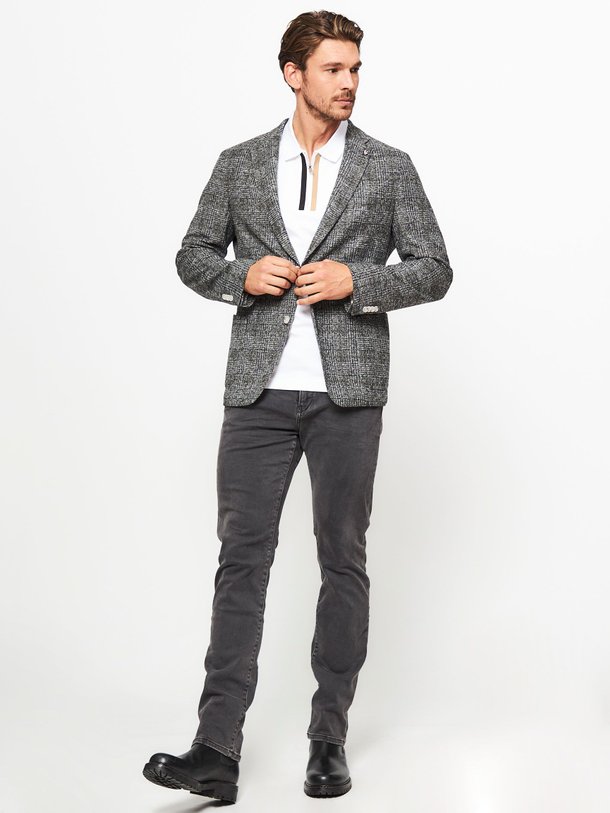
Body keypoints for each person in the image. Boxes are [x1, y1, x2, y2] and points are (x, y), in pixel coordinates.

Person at [143, 9, 453, 804]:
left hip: (349, 393)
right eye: (333, 69)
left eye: (356, 69)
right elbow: (192, 254)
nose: (349, 82)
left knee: (342, 557)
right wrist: (238, 276)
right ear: (293, 74)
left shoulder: (388, 168)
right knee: (240, 560)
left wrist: (360, 281)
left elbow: (434, 268)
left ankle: (328, 737)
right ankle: (216, 748)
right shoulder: (241, 164)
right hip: (259, 390)